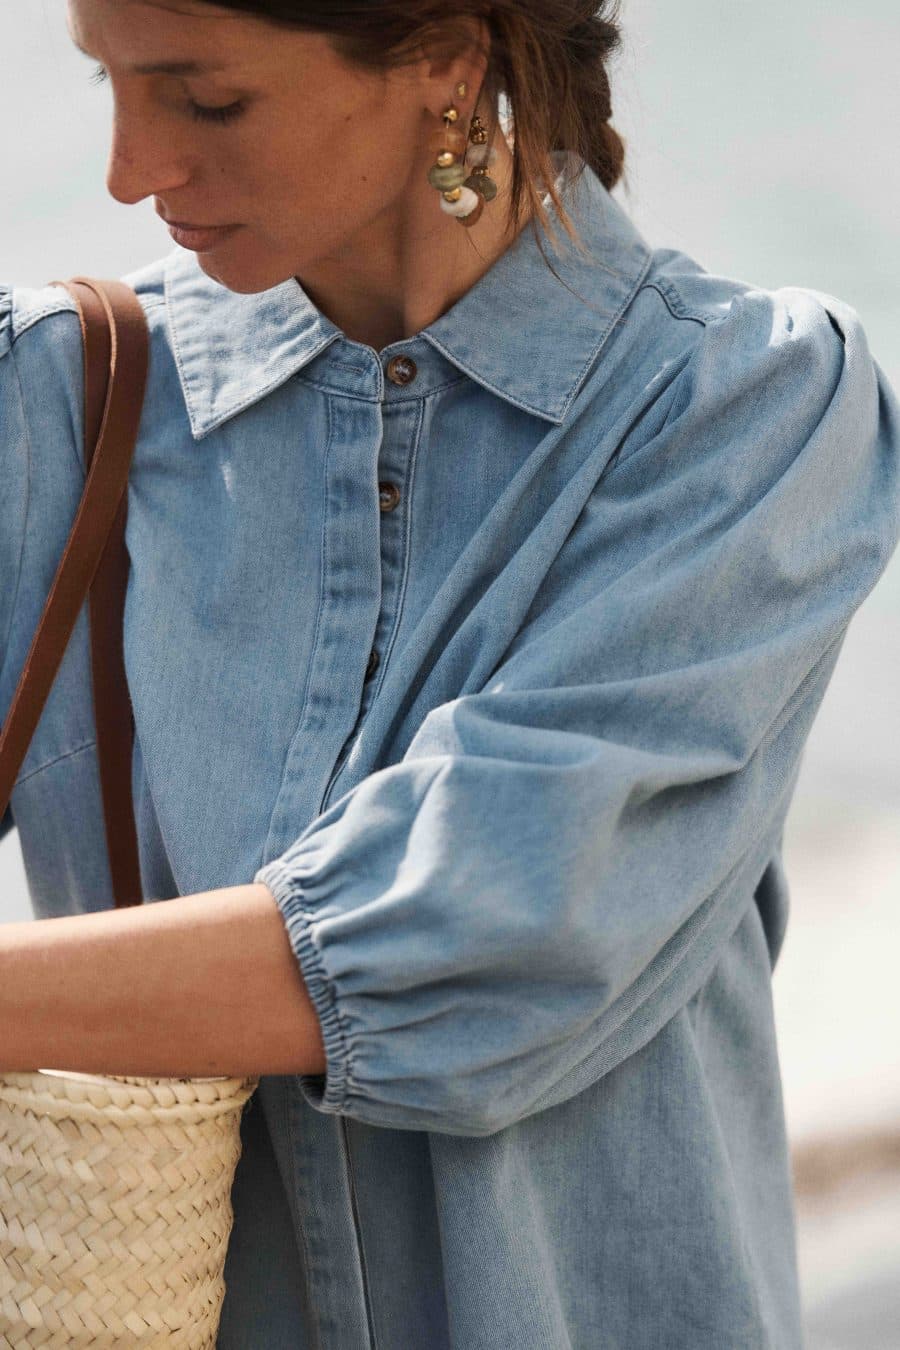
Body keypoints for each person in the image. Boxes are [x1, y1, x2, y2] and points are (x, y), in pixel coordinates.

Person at [1, 1, 898, 1346]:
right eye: (106, 84)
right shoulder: (53, 404)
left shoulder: (741, 410)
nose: (132, 168)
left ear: (446, 57)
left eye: (205, 98)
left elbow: (485, 927)